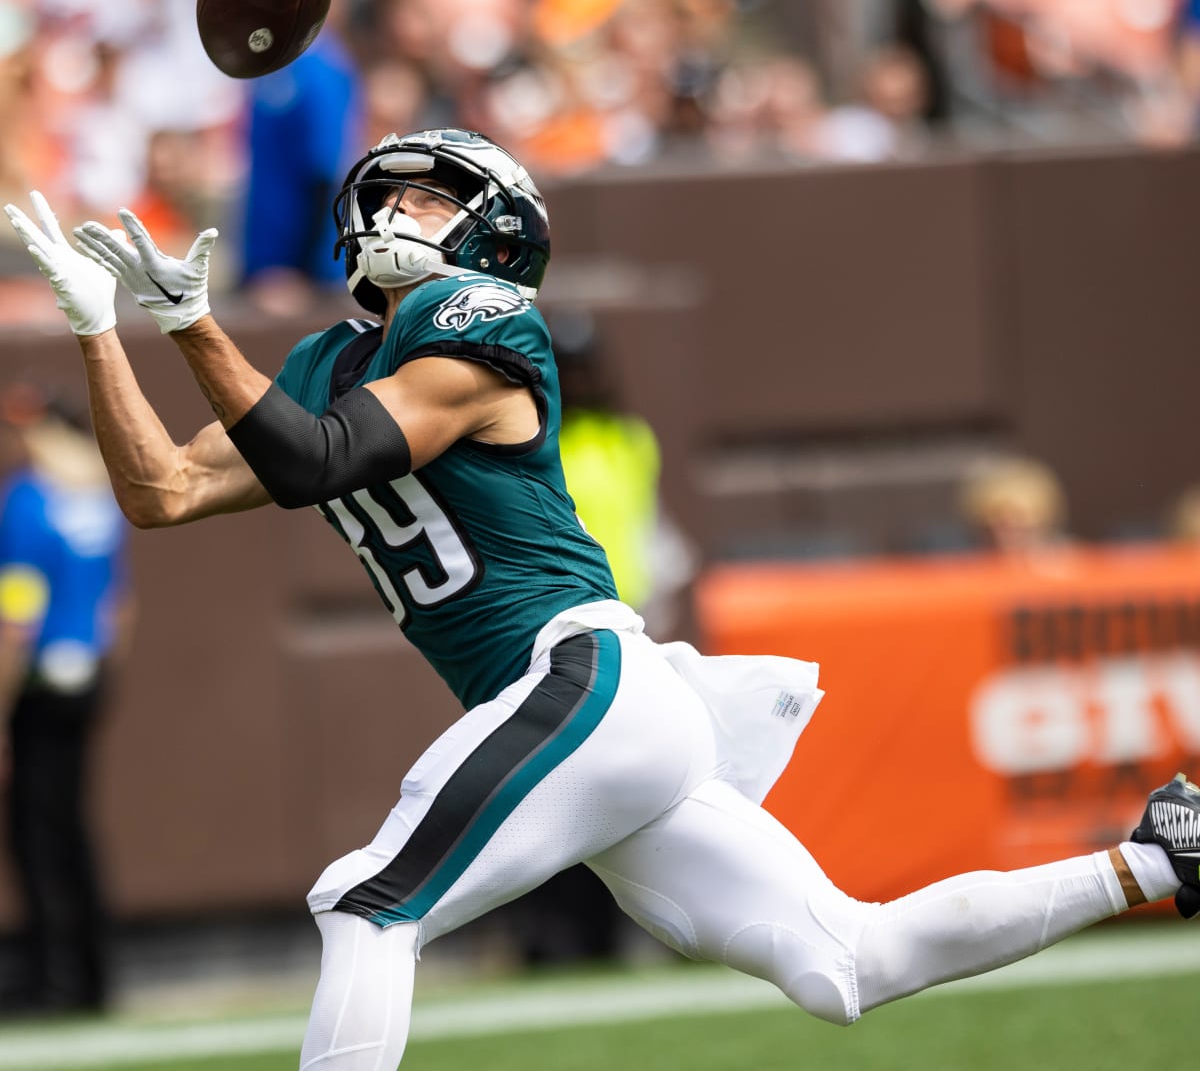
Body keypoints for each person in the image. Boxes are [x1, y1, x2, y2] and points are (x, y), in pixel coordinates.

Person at [4, 128, 1198, 1068]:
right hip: (599, 719)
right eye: (389, 192)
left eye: (428, 196)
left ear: (497, 237)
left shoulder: (483, 327)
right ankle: (1156, 862)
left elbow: (319, 460)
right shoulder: (322, 360)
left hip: (579, 679)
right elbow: (159, 491)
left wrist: (195, 325)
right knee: (846, 962)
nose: (394, 210)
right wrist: (97, 331)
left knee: (367, 902)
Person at [0, 383, 132, 1015]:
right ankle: (91, 972)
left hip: (39, 685)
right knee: (71, 826)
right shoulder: (98, 500)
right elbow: (119, 607)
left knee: (36, 829)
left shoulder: (28, 504)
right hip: (89, 676)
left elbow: (16, 619)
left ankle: (54, 978)